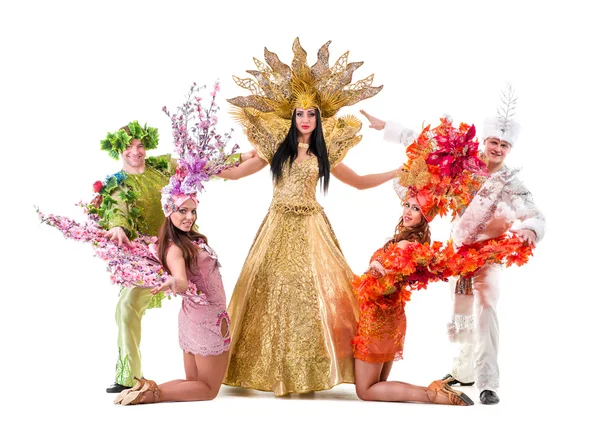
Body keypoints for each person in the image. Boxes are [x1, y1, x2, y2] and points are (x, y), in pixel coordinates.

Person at [217, 38, 397, 395]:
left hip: (312, 227)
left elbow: (359, 183)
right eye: (299, 114)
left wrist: (395, 173)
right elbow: (236, 172)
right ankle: (269, 368)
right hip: (278, 226)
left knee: (316, 290)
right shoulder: (276, 151)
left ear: (319, 117)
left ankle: (312, 368)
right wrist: (197, 167)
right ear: (291, 116)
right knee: (273, 286)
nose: (304, 119)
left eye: (311, 114)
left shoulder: (323, 155)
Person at [360, 87, 545, 404]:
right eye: (493, 142)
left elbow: (535, 214)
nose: (498, 148)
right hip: (459, 256)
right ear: (485, 142)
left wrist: (530, 229)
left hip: (490, 256)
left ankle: (488, 382)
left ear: (510, 148)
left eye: (504, 144)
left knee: (486, 308)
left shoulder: (512, 183)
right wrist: (387, 128)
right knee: (460, 315)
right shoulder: (465, 166)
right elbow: (429, 146)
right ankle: (463, 371)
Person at [96, 120, 252, 394]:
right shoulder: (117, 185)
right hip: (149, 260)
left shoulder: (161, 166)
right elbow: (117, 209)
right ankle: (129, 377)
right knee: (126, 305)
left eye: (140, 145)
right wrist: (117, 226)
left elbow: (199, 168)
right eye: (128, 147)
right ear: (118, 150)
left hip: (181, 245)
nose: (136, 151)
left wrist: (241, 157)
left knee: (204, 299)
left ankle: (205, 353)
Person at [352, 118, 483, 406]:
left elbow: (383, 286)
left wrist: (375, 273)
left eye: (416, 209)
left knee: (366, 390)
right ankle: (433, 393)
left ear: (425, 216)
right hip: (391, 320)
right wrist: (376, 264)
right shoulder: (413, 241)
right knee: (376, 384)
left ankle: (433, 395)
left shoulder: (406, 244)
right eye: (408, 205)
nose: (409, 211)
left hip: (378, 321)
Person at [113, 195, 230, 405]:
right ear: (169, 212)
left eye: (193, 211)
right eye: (182, 211)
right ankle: (149, 396)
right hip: (207, 320)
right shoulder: (176, 248)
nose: (189, 217)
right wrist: (174, 282)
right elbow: (182, 281)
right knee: (208, 389)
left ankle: (145, 389)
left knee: (193, 382)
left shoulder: (186, 240)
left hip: (193, 317)